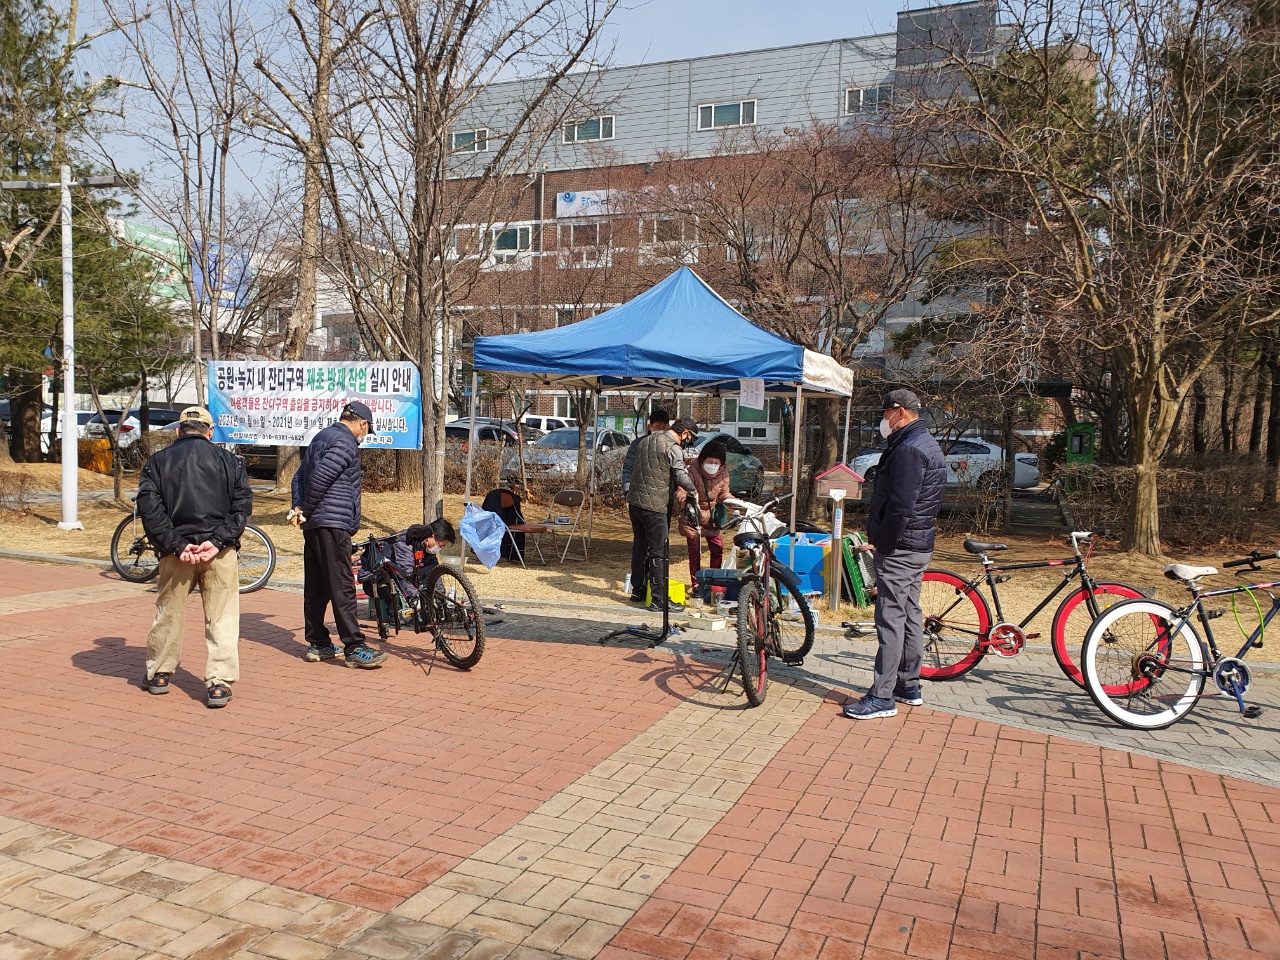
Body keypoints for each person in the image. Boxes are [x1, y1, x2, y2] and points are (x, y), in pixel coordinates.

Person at [136, 406, 253, 708]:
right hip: (220, 552)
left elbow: (150, 511)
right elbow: (241, 509)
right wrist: (217, 541)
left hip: (176, 553)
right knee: (222, 617)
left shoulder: (157, 462)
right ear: (209, 431)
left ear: (178, 430)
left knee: (169, 612)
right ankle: (219, 682)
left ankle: (160, 673)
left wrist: (176, 544)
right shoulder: (232, 462)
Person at [843, 388, 946, 720]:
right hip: (917, 544)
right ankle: (908, 685)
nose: (883, 421)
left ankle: (882, 695)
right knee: (910, 613)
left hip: (901, 546)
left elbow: (901, 507)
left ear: (900, 412)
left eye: (885, 415)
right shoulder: (924, 443)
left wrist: (883, 544)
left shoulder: (909, 450)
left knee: (890, 618)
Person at [291, 401, 388, 668]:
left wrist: (299, 507)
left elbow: (298, 477)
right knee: (343, 585)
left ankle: (319, 643)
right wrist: (307, 508)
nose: (364, 436)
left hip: (314, 524)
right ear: (362, 423)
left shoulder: (321, 437)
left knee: (317, 586)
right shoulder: (345, 442)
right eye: (366, 431)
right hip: (332, 523)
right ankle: (355, 647)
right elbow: (321, 478)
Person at [626, 416, 700, 611]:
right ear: (685, 433)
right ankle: (659, 600)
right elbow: (680, 474)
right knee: (659, 551)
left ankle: (638, 591)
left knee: (640, 547)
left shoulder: (646, 441)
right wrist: (694, 491)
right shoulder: (672, 447)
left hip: (635, 502)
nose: (688, 443)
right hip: (654, 505)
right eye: (690, 438)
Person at [674, 441, 730, 589]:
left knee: (718, 548)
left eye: (716, 462)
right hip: (693, 515)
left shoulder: (723, 472)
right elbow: (681, 490)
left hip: (712, 516)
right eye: (709, 461)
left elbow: (725, 494)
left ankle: (714, 581)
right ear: (702, 460)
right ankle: (696, 584)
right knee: (694, 551)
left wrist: (734, 501)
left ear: (721, 463)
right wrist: (686, 500)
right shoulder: (692, 470)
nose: (712, 465)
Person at [621, 408, 670, 497]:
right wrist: (627, 488)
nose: (661, 430)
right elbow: (628, 466)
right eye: (657, 427)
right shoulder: (638, 444)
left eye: (665, 427)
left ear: (669, 427)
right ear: (650, 427)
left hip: (665, 495)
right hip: (641, 493)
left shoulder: (672, 446)